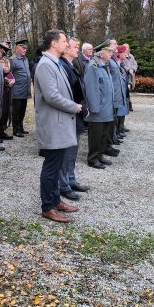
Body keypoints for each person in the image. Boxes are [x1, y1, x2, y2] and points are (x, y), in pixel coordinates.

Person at [34, 29, 83, 223]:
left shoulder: (55, 62)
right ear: (53, 43)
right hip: (53, 124)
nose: (66, 44)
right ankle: (48, 206)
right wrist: (75, 107)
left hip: (60, 122)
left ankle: (55, 200)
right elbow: (52, 96)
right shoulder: (46, 65)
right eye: (63, 41)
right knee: (51, 166)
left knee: (56, 165)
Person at [58, 37, 89, 200]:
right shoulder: (62, 66)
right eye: (75, 46)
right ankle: (63, 184)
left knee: (73, 150)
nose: (77, 49)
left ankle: (70, 179)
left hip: (76, 113)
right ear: (66, 49)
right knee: (66, 151)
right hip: (70, 113)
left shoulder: (71, 64)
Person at [83, 42, 115, 169]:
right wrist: (94, 108)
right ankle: (92, 158)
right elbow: (91, 89)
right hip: (98, 109)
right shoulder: (93, 66)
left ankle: (100, 155)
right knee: (96, 135)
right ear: (101, 54)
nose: (111, 54)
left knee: (103, 134)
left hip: (106, 108)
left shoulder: (104, 66)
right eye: (109, 51)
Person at [10, 39, 31, 137]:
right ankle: (16, 130)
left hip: (25, 90)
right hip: (16, 90)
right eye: (23, 48)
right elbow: (8, 74)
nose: (25, 50)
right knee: (16, 111)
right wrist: (11, 83)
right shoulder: (12, 59)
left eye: (25, 48)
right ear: (17, 48)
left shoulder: (25, 59)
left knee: (22, 110)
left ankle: (21, 128)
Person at [0, 56, 15, 140]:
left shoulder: (6, 59)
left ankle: (2, 131)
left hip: (7, 90)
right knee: (0, 112)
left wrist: (8, 74)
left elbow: (11, 79)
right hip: (0, 90)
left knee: (6, 111)